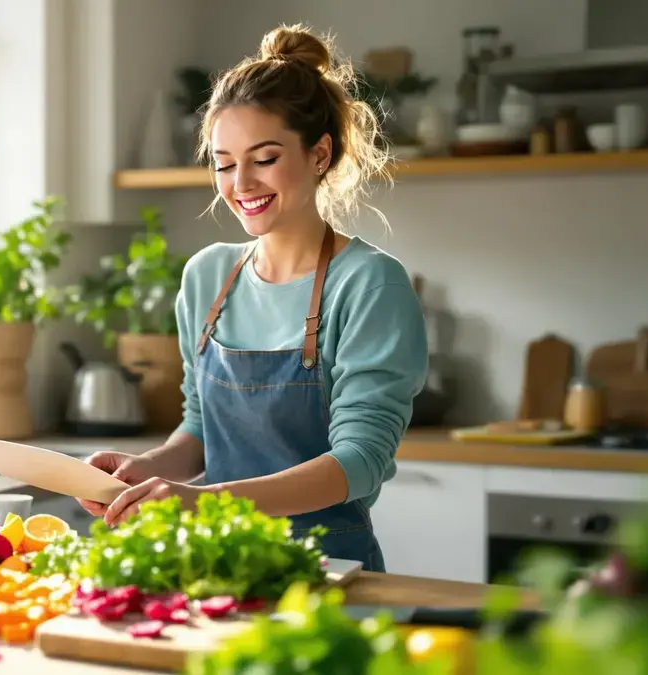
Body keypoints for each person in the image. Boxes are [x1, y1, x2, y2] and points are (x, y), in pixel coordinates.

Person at [77, 24, 428, 572]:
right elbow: (200, 429)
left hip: (326, 570)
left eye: (263, 158)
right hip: (216, 565)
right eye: (223, 163)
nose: (240, 183)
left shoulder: (369, 285)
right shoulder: (207, 276)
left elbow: (360, 461)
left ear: (319, 154)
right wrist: (147, 469)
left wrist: (200, 501)